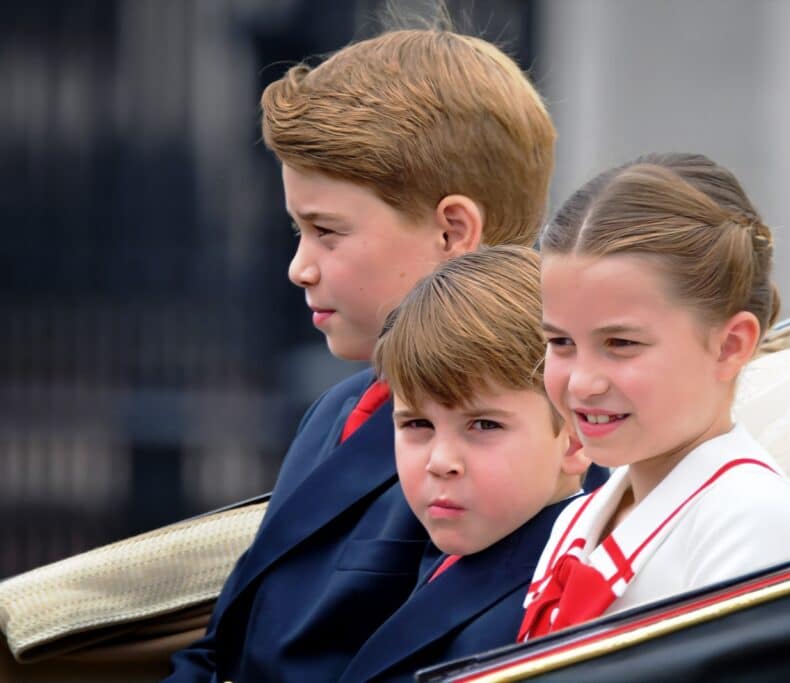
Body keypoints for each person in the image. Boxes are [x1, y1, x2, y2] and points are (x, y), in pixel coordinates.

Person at [166, 27, 561, 682]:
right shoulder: (341, 408)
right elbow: (224, 643)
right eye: (299, 230)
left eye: (327, 231)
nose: (299, 266)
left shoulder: (526, 442)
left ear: (452, 230)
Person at [518, 153, 790, 641]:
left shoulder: (750, 516)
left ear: (730, 345)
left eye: (621, 344)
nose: (582, 383)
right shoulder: (577, 519)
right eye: (561, 342)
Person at [340, 246, 590, 682]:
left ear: (575, 438)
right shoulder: (469, 545)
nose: (441, 461)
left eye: (483, 425)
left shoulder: (542, 613)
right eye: (417, 423)